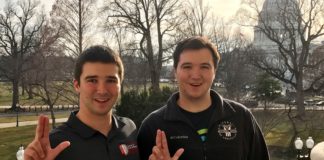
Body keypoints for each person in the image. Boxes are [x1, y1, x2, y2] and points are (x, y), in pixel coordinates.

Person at [137, 36, 270, 160]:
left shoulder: (242, 118)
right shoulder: (152, 126)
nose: (196, 75)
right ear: (175, 71)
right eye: (187, 66)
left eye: (204, 67)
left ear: (215, 71)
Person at [24, 45, 140, 160]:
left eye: (111, 80)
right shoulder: (54, 145)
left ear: (120, 85)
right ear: (77, 85)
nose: (102, 90)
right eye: (92, 80)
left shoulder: (129, 129)